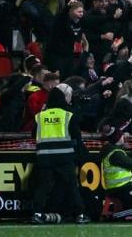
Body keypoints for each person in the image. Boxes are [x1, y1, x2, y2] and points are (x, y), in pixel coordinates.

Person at [32, 85, 90, 224]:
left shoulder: (40, 116)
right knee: (71, 186)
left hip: (44, 157)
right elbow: (76, 135)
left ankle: (37, 214)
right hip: (64, 157)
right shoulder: (67, 115)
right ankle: (80, 215)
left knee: (43, 187)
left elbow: (34, 134)